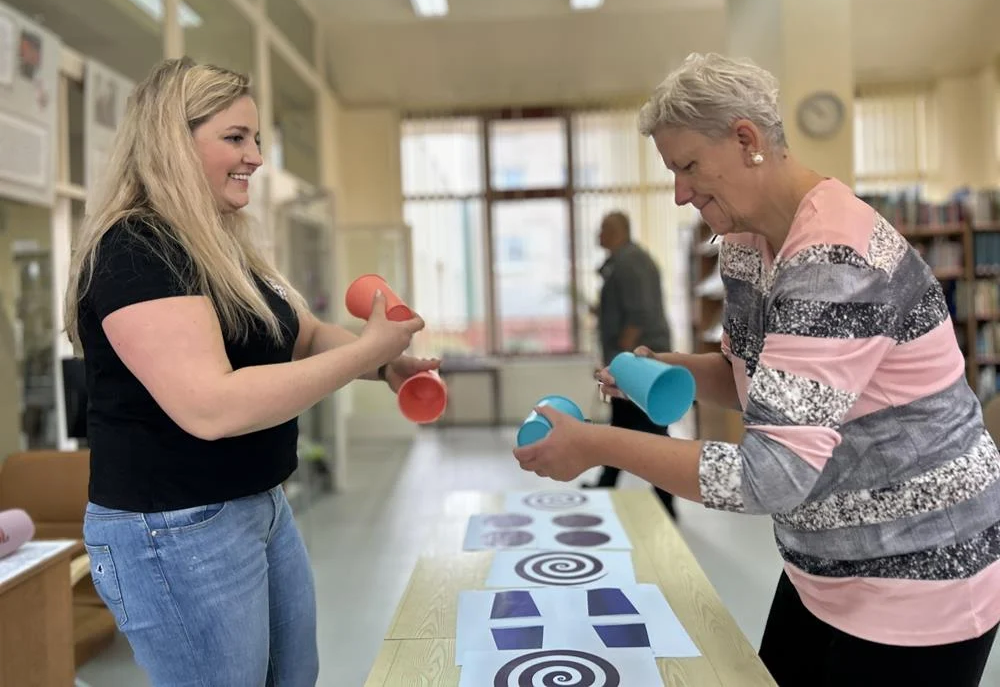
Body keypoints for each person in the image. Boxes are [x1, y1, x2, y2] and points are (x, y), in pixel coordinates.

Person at [513, 52, 1000, 686]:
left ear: (747, 140)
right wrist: (670, 367)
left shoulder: (835, 260)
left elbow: (773, 476)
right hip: (825, 565)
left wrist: (597, 444)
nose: (680, 192)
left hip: (918, 575)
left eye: (688, 166)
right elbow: (758, 377)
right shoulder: (745, 241)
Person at [64, 57, 438, 686]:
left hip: (257, 504)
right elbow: (214, 407)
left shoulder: (226, 242)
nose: (256, 157)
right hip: (174, 529)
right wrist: (365, 352)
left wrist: (384, 364)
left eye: (256, 139)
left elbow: (305, 334)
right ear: (170, 144)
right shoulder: (136, 249)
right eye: (235, 138)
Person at [582, 211, 677, 518]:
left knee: (651, 430)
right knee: (623, 424)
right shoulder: (621, 262)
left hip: (639, 364)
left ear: (616, 231)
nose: (598, 235)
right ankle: (608, 483)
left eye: (602, 229)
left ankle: (667, 499)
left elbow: (639, 315)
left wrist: (621, 362)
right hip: (630, 361)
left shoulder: (632, 261)